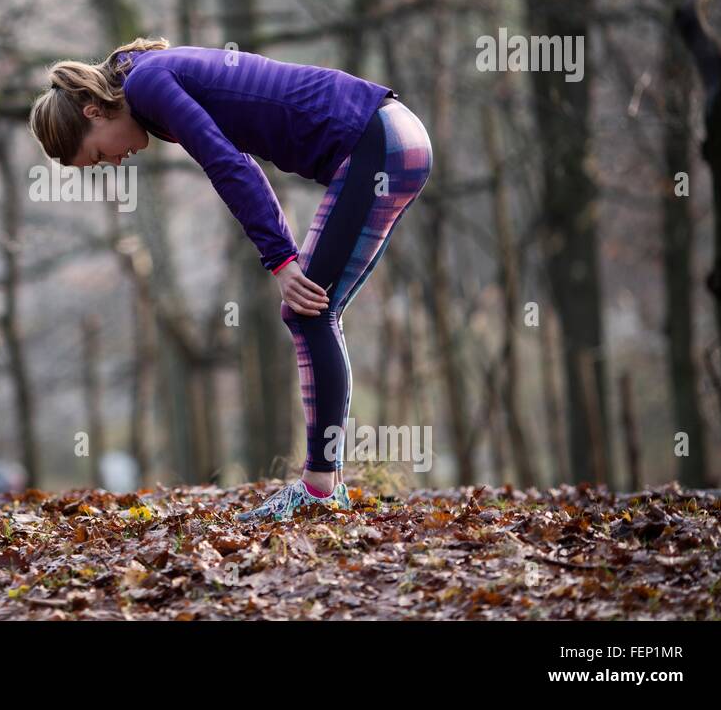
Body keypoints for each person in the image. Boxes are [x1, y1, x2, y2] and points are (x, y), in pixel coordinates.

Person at [28, 37, 433, 522]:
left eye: (97, 156)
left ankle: (320, 490)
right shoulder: (145, 81)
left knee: (309, 310)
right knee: (316, 311)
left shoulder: (148, 84)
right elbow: (237, 155)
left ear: (94, 113)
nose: (113, 164)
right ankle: (325, 486)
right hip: (391, 138)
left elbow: (229, 163)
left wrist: (280, 259)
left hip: (377, 141)